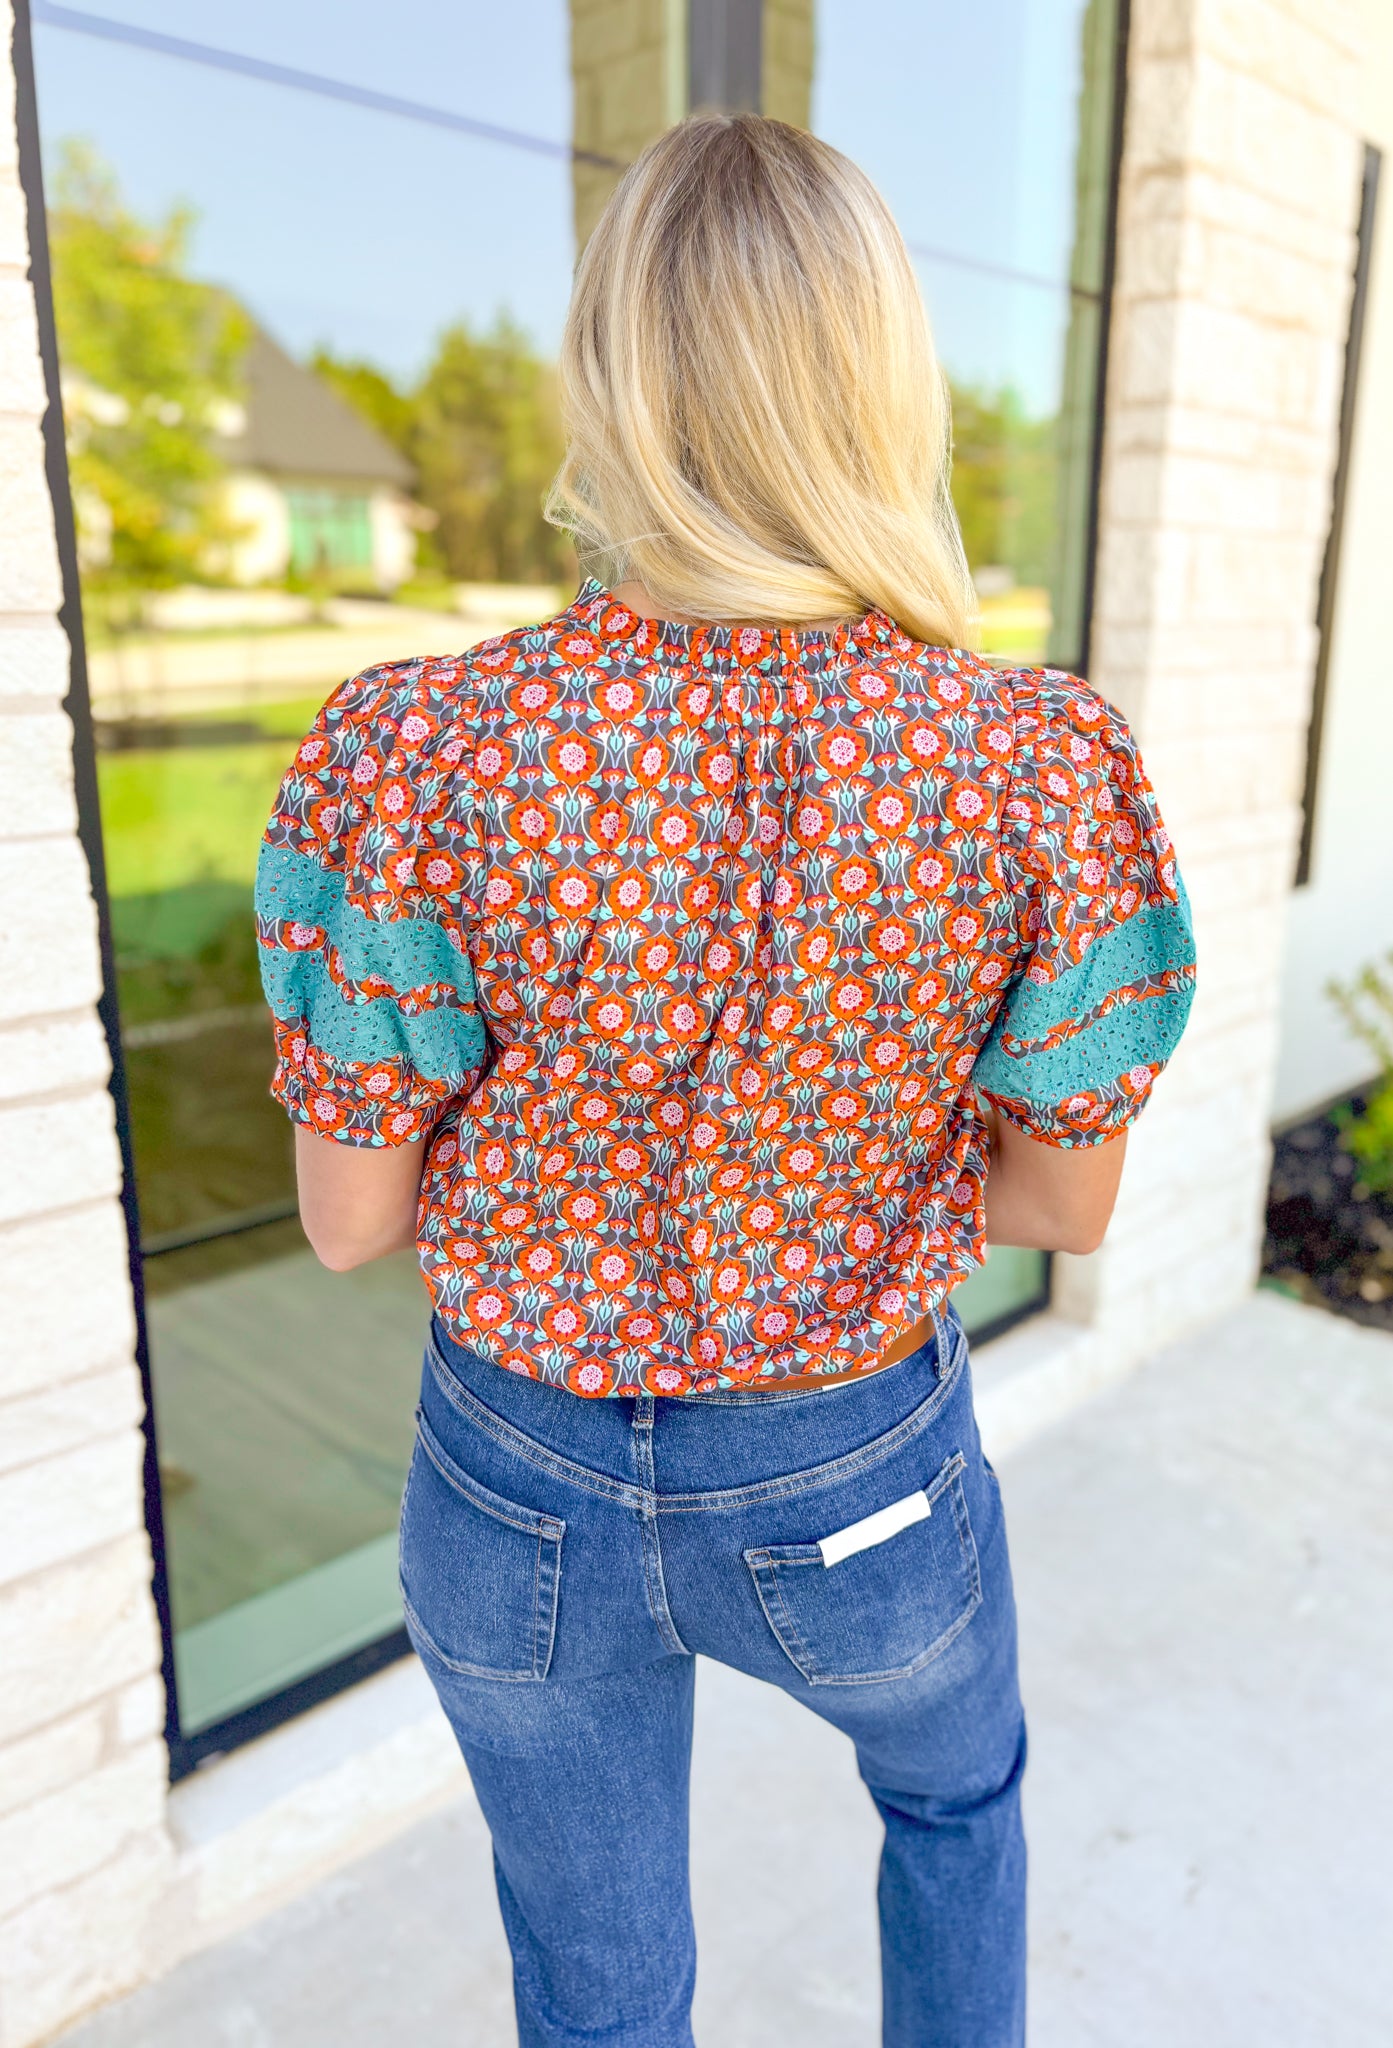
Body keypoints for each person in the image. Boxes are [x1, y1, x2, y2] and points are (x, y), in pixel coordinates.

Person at [255, 113, 1194, 2048]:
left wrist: (577, 1162)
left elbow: (347, 1224)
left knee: (599, 1993)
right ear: (881, 391)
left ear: (610, 382)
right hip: (854, 1470)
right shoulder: (1027, 764)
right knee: (954, 1801)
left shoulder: (414, 744)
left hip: (512, 1482)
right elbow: (1059, 1204)